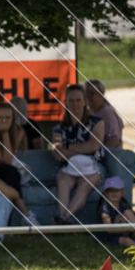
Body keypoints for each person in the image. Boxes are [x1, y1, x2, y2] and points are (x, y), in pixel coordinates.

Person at [51, 84, 105, 224]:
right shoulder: (59, 128)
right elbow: (58, 154)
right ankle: (63, 218)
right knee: (63, 181)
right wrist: (82, 148)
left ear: (85, 101)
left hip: (93, 166)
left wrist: (68, 147)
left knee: (84, 185)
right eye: (71, 101)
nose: (75, 104)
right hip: (70, 167)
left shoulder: (97, 123)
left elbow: (94, 146)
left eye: (78, 100)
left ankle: (65, 217)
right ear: (66, 103)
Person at [0, 102, 39, 225]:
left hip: (7, 169)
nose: (4, 121)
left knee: (10, 171)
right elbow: (6, 159)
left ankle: (21, 217)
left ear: (13, 119)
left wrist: (5, 133)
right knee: (10, 171)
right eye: (0, 118)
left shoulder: (19, 131)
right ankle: (26, 213)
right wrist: (5, 133)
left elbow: (6, 159)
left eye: (7, 118)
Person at [97, 176, 135, 248]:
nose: (114, 193)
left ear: (122, 192)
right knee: (126, 240)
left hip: (123, 229)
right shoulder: (105, 207)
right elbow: (109, 229)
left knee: (128, 213)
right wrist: (127, 228)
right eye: (110, 191)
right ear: (106, 193)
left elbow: (130, 216)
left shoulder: (123, 204)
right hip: (108, 234)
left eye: (116, 190)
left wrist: (128, 226)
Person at [84, 79, 122, 149]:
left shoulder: (107, 112)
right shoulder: (88, 112)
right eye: (86, 92)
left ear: (101, 95)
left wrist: (98, 153)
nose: (88, 96)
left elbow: (114, 141)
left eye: (92, 93)